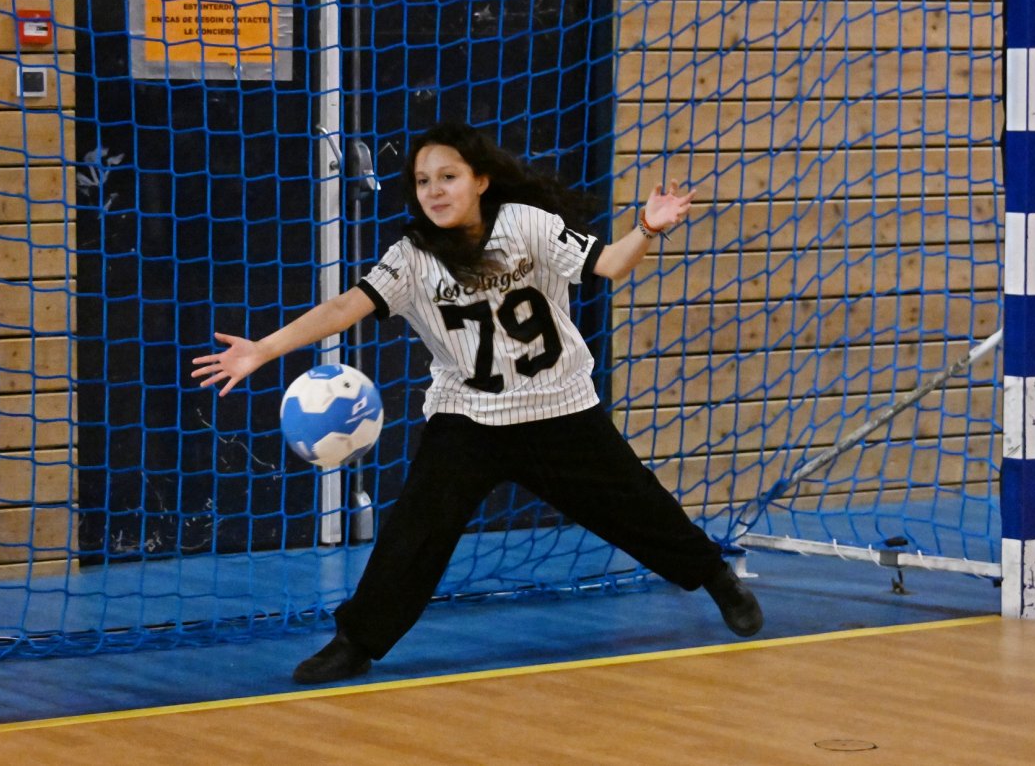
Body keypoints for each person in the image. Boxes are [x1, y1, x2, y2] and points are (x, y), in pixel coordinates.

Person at [191, 121, 763, 684]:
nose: (435, 191)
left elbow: (610, 264)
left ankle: (718, 580)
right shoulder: (411, 256)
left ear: (481, 180)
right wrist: (262, 350)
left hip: (559, 408)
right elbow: (344, 308)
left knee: (637, 507)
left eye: (449, 177)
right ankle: (355, 644)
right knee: (415, 531)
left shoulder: (526, 224)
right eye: (423, 182)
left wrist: (646, 227)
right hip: (470, 419)